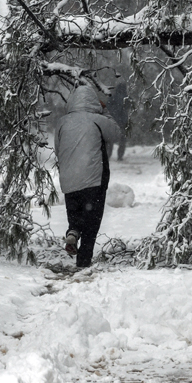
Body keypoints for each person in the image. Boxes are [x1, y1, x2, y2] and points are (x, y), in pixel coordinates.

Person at [54, 85, 121, 268]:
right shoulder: (98, 119)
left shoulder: (62, 122)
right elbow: (116, 134)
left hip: (69, 179)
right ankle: (83, 261)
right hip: (93, 179)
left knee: (75, 216)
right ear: (93, 101)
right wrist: (105, 110)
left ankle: (73, 232)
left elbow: (58, 150)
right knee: (92, 221)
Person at [106, 81, 129, 161]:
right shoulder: (126, 98)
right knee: (122, 140)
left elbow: (107, 107)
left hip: (113, 120)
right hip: (123, 121)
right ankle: (120, 156)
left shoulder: (112, 97)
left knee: (110, 139)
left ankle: (108, 155)